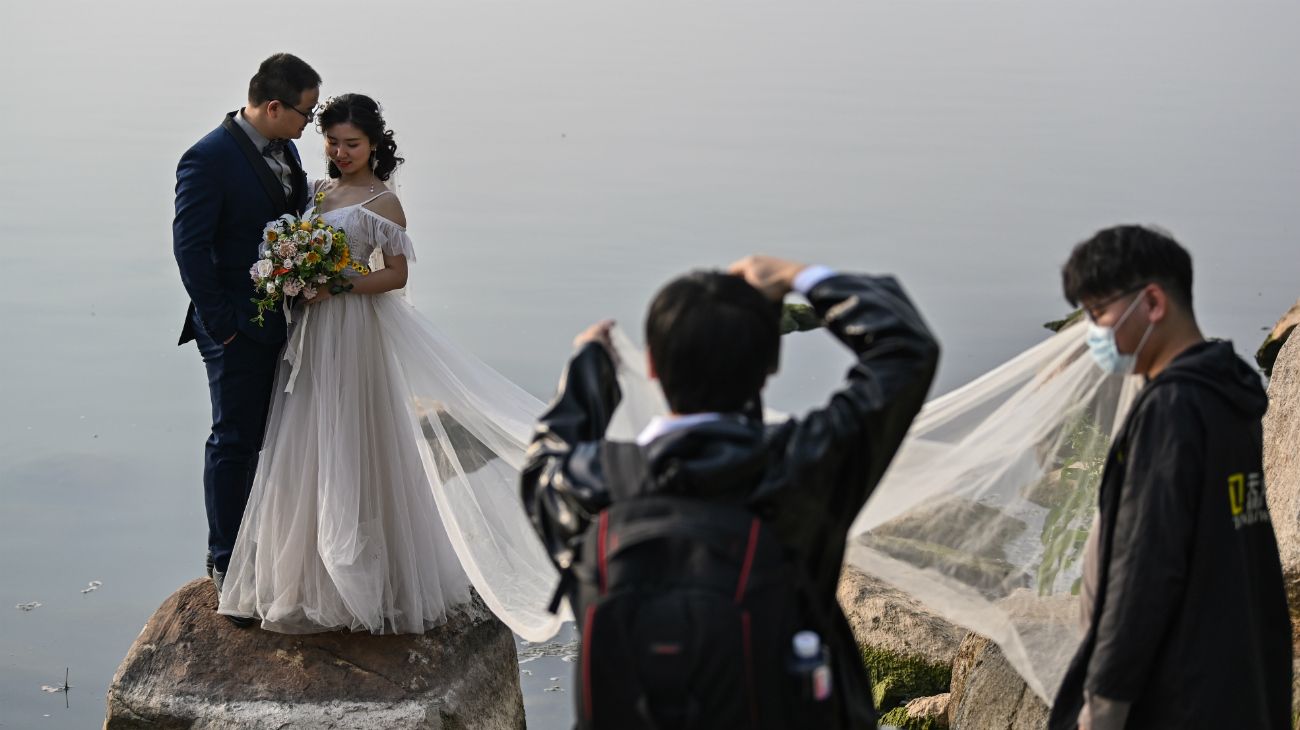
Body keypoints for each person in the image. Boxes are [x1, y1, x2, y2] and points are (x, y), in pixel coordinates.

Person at [521, 256, 940, 729]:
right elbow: (907, 349)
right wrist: (796, 275)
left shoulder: (585, 484)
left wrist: (590, 363)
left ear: (652, 365)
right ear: (769, 368)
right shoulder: (800, 468)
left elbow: (545, 451)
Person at [217, 94, 564, 637]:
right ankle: (307, 572)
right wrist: (295, 278)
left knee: (357, 437)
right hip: (314, 332)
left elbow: (396, 275)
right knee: (306, 437)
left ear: (374, 145)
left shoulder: (382, 202)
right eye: (331, 141)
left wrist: (337, 284)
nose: (340, 151)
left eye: (351, 143)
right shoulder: (318, 190)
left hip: (355, 331)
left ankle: (371, 575)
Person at [1048, 225, 1292, 730]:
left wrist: (1104, 707)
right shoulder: (1230, 395)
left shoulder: (1173, 409)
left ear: (1153, 302)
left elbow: (1144, 572)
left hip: (1176, 698)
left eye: (1099, 315)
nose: (1094, 333)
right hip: (1236, 683)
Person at [172, 53, 320, 612]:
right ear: (273, 106)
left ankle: (267, 546)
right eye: (305, 113)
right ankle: (224, 559)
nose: (309, 123)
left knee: (273, 436)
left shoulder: (287, 147)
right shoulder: (207, 159)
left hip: (281, 319)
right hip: (233, 325)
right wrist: (224, 328)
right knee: (234, 439)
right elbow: (190, 248)